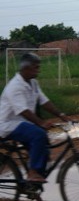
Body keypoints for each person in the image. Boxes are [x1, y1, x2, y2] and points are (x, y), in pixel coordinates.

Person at [0, 52, 71, 183]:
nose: (38, 70)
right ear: (26, 68)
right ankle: (33, 173)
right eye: (36, 67)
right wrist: (41, 122)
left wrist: (61, 115)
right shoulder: (15, 86)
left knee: (44, 139)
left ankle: (34, 182)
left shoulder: (33, 83)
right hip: (8, 125)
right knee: (38, 134)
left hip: (22, 124)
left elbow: (44, 101)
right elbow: (23, 111)